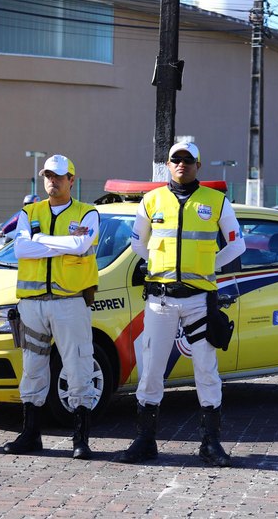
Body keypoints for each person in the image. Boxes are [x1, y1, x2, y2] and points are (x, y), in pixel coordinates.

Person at [117, 141, 245, 467]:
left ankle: (211, 442)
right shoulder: (152, 200)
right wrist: (159, 267)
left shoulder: (216, 201)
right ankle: (146, 440)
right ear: (168, 164)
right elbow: (136, 241)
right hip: (160, 298)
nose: (182, 164)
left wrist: (210, 266)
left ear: (198, 165)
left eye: (188, 160)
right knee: (151, 369)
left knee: (206, 368)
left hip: (199, 299)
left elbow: (237, 244)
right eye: (176, 159)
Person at [4, 154, 100, 460]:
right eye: (48, 175)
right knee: (32, 369)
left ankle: (81, 438)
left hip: (70, 302)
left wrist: (40, 240)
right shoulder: (28, 211)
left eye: (59, 176)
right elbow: (20, 248)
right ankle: (30, 434)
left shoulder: (88, 213)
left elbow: (81, 245)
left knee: (78, 366)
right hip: (32, 304)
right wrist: (60, 242)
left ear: (72, 179)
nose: (53, 181)